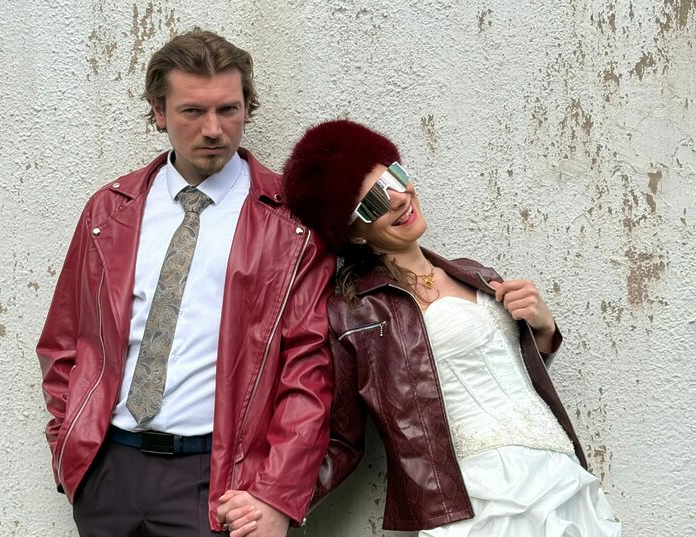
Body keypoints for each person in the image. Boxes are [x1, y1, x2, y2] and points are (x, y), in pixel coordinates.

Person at [36, 29, 334, 537]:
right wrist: (70, 446)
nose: (213, 129)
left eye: (228, 109)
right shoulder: (110, 211)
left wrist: (275, 493)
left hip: (217, 482)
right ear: (159, 112)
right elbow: (65, 342)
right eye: (193, 111)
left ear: (247, 108)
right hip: (107, 473)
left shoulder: (291, 225)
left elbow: (308, 372)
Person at [279, 119, 621, 536]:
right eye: (373, 202)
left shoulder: (476, 274)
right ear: (353, 233)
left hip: (558, 473)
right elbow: (340, 438)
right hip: (478, 495)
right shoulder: (356, 317)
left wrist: (544, 328)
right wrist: (276, 504)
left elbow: (501, 369)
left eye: (394, 178)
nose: (398, 199)